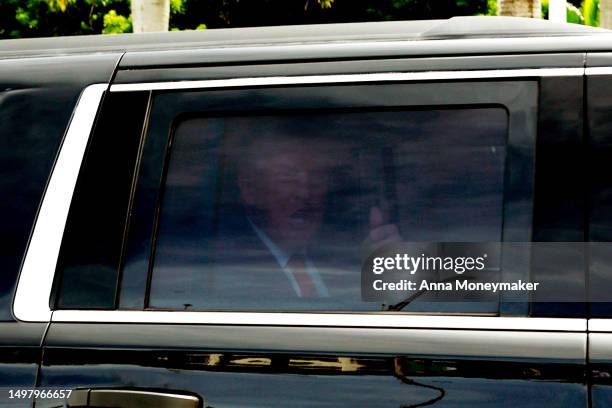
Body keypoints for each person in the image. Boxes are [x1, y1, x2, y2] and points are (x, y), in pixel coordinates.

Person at [208, 118, 401, 303]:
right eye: (288, 177)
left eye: (317, 177)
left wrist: (387, 273)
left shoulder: (340, 253)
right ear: (250, 188)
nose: (305, 192)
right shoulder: (219, 270)